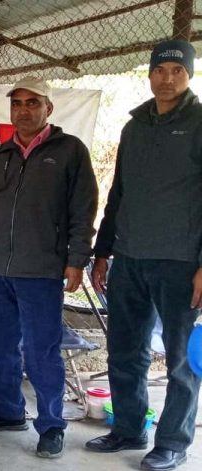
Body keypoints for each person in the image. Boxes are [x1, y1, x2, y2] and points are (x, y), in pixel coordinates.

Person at [0, 76, 98, 459]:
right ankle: (8, 412)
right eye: (17, 103)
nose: (23, 110)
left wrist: (76, 260)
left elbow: (83, 210)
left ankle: (51, 425)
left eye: (32, 102)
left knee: (42, 350)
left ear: (48, 108)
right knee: (1, 345)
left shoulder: (69, 151)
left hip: (40, 270)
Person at [85, 39, 202, 471]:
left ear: (189, 75)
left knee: (180, 361)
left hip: (180, 261)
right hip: (129, 257)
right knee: (124, 350)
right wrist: (103, 252)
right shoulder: (134, 127)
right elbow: (118, 193)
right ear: (150, 74)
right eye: (160, 70)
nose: (167, 79)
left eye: (177, 71)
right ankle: (129, 428)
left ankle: (172, 442)